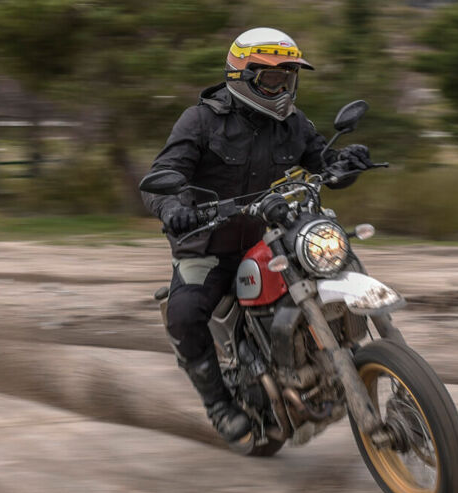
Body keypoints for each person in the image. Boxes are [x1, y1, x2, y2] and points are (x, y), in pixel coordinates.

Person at [141, 27, 373, 445]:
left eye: (288, 78)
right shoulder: (201, 120)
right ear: (243, 77)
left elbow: (322, 161)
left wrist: (347, 163)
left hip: (265, 237)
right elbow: (165, 174)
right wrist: (173, 207)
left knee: (332, 263)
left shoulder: (292, 124)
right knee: (184, 312)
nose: (282, 86)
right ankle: (217, 403)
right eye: (272, 78)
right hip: (206, 242)